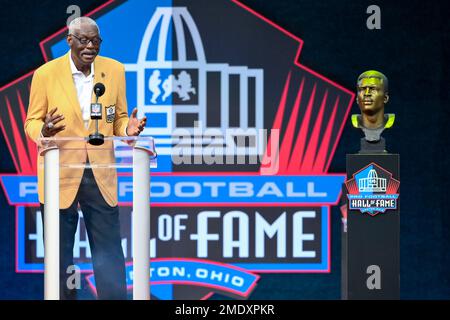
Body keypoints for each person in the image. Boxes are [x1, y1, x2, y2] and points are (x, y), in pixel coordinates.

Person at [24, 17, 146, 300]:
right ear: (70, 40)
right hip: (60, 173)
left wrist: (128, 130)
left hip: (100, 172)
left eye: (96, 41)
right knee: (59, 258)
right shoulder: (45, 74)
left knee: (110, 254)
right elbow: (32, 121)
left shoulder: (114, 70)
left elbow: (119, 118)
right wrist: (43, 130)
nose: (90, 47)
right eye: (84, 40)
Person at [352, 70, 395, 142]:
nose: (367, 93)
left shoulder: (393, 123)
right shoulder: (352, 124)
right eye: (362, 89)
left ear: (385, 98)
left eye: (373, 89)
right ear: (357, 99)